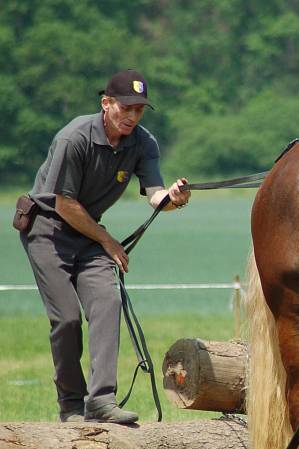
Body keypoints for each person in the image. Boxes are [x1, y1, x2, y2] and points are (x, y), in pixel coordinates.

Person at [20, 69, 191, 424]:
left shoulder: (143, 143)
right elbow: (64, 203)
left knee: (107, 302)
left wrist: (173, 198)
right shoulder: (75, 138)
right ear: (106, 103)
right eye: (125, 108)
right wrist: (107, 240)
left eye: (139, 110)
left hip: (88, 232)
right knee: (66, 318)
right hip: (48, 228)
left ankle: (100, 401)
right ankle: (70, 405)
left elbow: (154, 194)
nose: (132, 116)